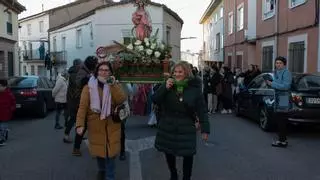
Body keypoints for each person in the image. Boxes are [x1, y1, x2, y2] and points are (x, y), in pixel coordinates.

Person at [152, 61, 210, 180]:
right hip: (168, 124)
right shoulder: (167, 85)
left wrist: (205, 129)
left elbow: (202, 110)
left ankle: (186, 177)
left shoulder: (194, 89)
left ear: (186, 73)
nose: (177, 74)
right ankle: (173, 174)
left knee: (188, 154)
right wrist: (165, 87)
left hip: (186, 125)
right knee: (168, 152)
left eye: (180, 72)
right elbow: (155, 99)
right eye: (175, 72)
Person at [76, 61, 126, 180]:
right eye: (101, 70)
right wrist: (79, 124)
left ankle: (109, 176)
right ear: (97, 71)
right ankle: (102, 170)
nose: (103, 72)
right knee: (100, 153)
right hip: (96, 126)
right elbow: (82, 107)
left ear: (110, 72)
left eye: (106, 70)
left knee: (111, 155)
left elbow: (121, 99)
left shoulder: (115, 84)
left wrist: (113, 85)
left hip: (112, 125)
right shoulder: (88, 87)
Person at [72, 56, 98, 156]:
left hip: (88, 101)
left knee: (87, 126)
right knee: (83, 126)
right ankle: (76, 148)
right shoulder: (83, 72)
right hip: (83, 102)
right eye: (95, 65)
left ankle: (79, 148)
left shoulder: (86, 71)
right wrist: (89, 78)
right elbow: (79, 83)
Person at [266, 56, 292, 148]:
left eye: (280, 63)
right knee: (279, 119)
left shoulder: (286, 72)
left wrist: (272, 83)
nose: (278, 65)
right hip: (277, 97)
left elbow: (286, 86)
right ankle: (282, 139)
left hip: (284, 97)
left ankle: (282, 141)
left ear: (284, 64)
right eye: (277, 63)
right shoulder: (276, 72)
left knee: (282, 119)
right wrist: (269, 83)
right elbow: (277, 85)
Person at [63, 59, 82, 143]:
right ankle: (66, 136)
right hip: (74, 100)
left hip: (74, 100)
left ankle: (79, 135)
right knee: (73, 118)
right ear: (77, 65)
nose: (82, 66)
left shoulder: (74, 73)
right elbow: (79, 85)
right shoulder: (74, 74)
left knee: (78, 119)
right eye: (81, 64)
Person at [0, 79, 16, 146]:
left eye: (0, 86)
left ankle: (2, 139)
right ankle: (4, 133)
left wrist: (10, 110)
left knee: (2, 127)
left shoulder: (9, 94)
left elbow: (13, 103)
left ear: (4, 86)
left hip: (5, 114)